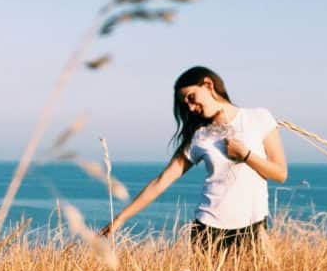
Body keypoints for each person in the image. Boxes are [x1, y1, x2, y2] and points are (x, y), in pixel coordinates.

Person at [100, 66, 287, 249]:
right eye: (185, 104)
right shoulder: (199, 136)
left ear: (208, 85)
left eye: (191, 97)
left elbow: (280, 174)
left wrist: (245, 155)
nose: (190, 107)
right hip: (208, 231)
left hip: (253, 227)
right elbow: (162, 181)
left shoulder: (258, 117)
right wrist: (120, 218)